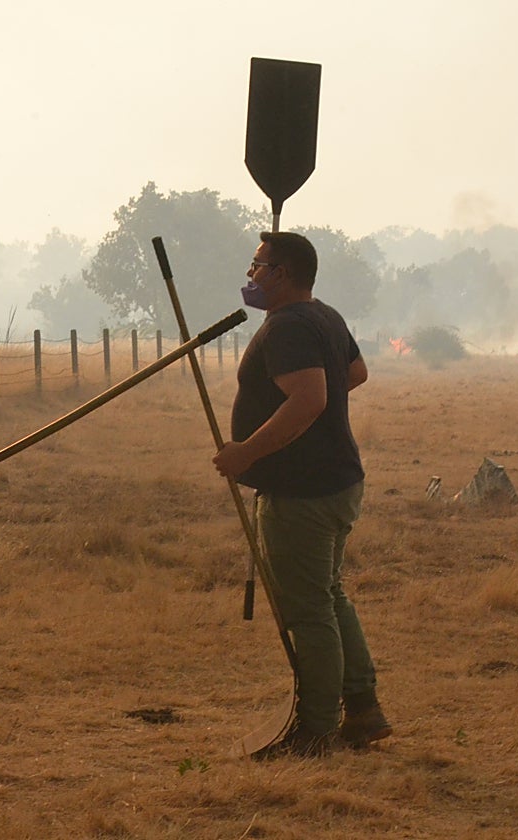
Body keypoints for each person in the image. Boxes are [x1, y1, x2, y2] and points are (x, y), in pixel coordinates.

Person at [212, 231, 389, 758]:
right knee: (329, 596)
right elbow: (353, 373)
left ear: (282, 274)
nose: (250, 275)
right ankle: (363, 711)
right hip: (337, 481)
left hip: (302, 493)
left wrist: (247, 451)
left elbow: (311, 397)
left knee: (308, 611)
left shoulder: (288, 326)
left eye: (257, 265)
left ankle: (314, 731)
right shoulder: (324, 316)